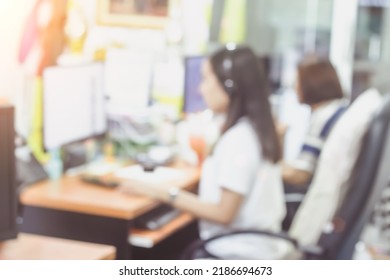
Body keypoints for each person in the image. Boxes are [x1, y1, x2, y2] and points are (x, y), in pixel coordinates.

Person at [118, 44, 286, 259]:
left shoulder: (240, 139)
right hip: (254, 251)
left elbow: (224, 213)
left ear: (230, 86)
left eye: (206, 79)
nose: (200, 89)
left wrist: (161, 192)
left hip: (237, 257)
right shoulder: (252, 130)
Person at [282, 55, 349, 188]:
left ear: (311, 83)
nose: (294, 87)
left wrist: (263, 166)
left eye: (297, 81)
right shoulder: (338, 110)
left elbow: (299, 175)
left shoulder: (324, 117)